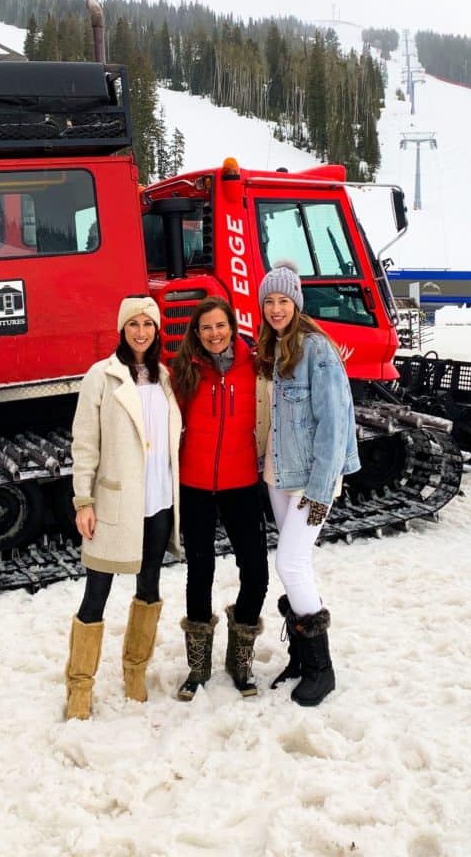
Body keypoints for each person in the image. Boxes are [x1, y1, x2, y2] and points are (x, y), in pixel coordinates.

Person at [63, 295, 182, 720]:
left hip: (159, 502)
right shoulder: (102, 376)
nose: (141, 332)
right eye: (133, 324)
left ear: (156, 330)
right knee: (96, 593)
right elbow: (85, 443)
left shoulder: (165, 377)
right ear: (122, 329)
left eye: (148, 324)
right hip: (115, 503)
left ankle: (135, 671)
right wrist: (84, 500)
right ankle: (79, 687)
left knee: (149, 589)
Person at [256, 260, 360, 707]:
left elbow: (335, 425)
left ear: (297, 303)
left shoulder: (317, 350)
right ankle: (300, 658)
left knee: (290, 564)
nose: (276, 309)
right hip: (278, 476)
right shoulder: (274, 348)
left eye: (284, 300)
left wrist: (320, 490)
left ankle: (322, 669)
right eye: (269, 301)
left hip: (310, 481)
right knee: (297, 565)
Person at [170, 297, 269, 700]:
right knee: (200, 571)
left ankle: (239, 658)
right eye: (206, 327)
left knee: (257, 572)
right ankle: (198, 666)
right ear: (196, 332)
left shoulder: (255, 366)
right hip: (195, 485)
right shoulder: (184, 371)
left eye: (220, 325)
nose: (214, 334)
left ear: (233, 327)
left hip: (241, 483)